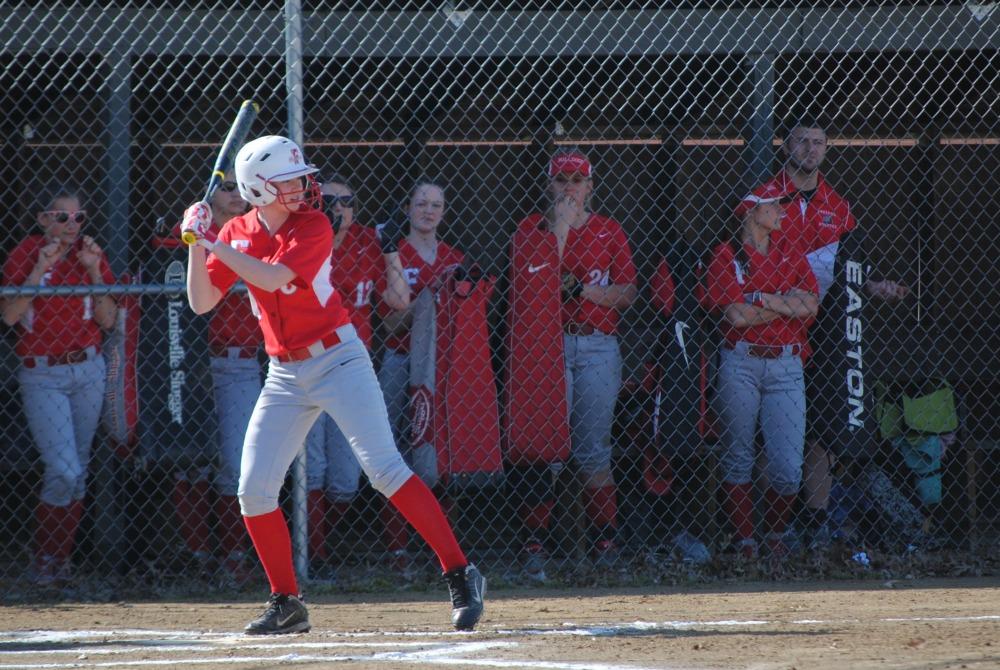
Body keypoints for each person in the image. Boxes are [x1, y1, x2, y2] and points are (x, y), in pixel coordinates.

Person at [180, 135, 485, 635]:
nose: (303, 187)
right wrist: (196, 244)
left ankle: (460, 572)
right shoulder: (234, 230)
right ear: (259, 189)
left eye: (302, 179)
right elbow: (200, 300)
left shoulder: (314, 225)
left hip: (338, 358)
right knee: (253, 489)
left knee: (385, 470)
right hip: (283, 373)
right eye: (289, 182)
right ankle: (287, 602)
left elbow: (275, 277)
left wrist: (214, 242)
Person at [736, 117, 909, 551]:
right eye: (803, 142)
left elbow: (852, 270)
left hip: (827, 327)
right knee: (767, 432)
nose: (811, 150)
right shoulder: (762, 199)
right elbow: (741, 259)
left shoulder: (840, 206)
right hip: (773, 326)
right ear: (786, 146)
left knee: (823, 427)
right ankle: (765, 529)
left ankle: (813, 525)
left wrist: (874, 287)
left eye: (819, 143)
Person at [504, 149, 637, 581]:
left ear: (591, 187)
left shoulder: (609, 230)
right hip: (548, 345)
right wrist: (560, 226)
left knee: (593, 450)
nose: (569, 188)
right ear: (549, 185)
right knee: (545, 449)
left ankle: (605, 541)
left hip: (597, 344)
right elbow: (535, 280)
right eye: (561, 180)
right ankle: (535, 545)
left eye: (577, 181)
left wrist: (580, 290)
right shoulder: (532, 228)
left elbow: (627, 293)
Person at [1, 182, 117, 585]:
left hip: (87, 367)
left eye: (78, 217)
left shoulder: (88, 254)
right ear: (44, 220)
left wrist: (92, 269)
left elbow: (107, 319)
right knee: (64, 469)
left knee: (79, 470)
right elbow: (11, 316)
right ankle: (43, 558)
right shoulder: (26, 253)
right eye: (62, 217)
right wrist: (38, 269)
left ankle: (58, 562)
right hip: (43, 373)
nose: (72, 224)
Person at [302, 173, 409, 582]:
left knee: (345, 479)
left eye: (346, 202)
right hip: (309, 366)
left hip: (353, 372)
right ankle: (313, 556)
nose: (339, 209)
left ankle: (322, 545)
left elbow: (399, 302)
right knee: (313, 469)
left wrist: (391, 249)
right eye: (329, 202)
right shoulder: (305, 240)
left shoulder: (367, 240)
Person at [153, 171, 258, 583]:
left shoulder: (255, 232)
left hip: (240, 362)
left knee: (235, 463)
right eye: (227, 188)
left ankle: (234, 555)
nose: (236, 195)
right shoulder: (192, 231)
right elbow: (165, 262)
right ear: (210, 194)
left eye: (242, 188)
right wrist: (179, 232)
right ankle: (196, 554)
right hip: (190, 361)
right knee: (189, 461)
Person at [705, 191, 819, 561]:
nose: (782, 211)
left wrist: (763, 299)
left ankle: (774, 533)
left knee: (788, 467)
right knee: (737, 455)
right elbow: (735, 316)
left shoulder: (790, 250)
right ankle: (747, 542)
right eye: (773, 206)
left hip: (787, 364)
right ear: (751, 213)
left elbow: (811, 305)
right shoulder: (726, 254)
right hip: (740, 361)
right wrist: (786, 303)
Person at [374, 179, 465, 578]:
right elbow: (389, 319)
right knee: (394, 453)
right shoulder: (393, 253)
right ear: (408, 209)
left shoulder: (454, 257)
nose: (428, 211)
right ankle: (397, 550)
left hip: (440, 368)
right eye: (421, 203)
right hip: (399, 357)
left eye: (436, 204)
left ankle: (441, 551)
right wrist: (427, 299)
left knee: (439, 456)